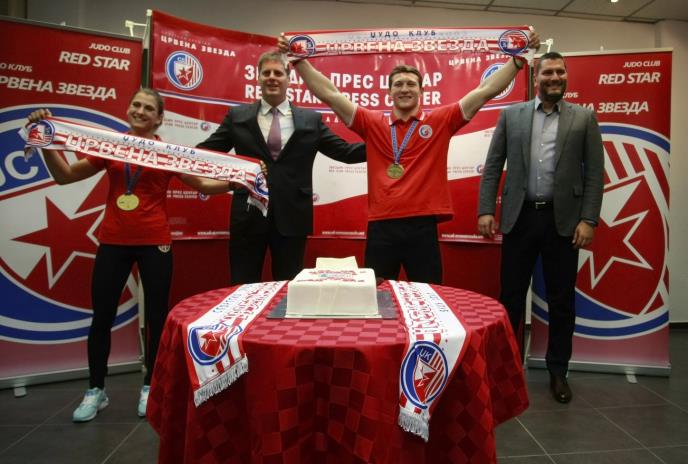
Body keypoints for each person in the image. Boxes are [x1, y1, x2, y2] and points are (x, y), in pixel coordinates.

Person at [27, 88, 233, 422]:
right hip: (113, 241)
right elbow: (64, 177)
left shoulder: (167, 153)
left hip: (155, 242)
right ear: (128, 109)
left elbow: (203, 185)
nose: (140, 111)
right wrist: (47, 144)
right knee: (102, 317)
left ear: (159, 118)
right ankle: (96, 390)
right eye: (136, 104)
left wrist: (239, 183)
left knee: (157, 317)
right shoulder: (111, 146)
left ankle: (151, 386)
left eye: (148, 108)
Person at [278, 30, 540, 284]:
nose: (405, 89)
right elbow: (330, 94)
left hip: (422, 227)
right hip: (382, 227)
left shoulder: (441, 120)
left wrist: (518, 61)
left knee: (427, 295)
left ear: (421, 91)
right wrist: (298, 61)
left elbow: (484, 91)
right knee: (378, 299)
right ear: (389, 92)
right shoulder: (372, 122)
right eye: (398, 84)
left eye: (411, 84)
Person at [477, 51, 604, 403]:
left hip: (563, 222)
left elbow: (595, 173)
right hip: (519, 219)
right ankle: (506, 371)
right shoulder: (511, 115)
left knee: (561, 301)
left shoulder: (583, 118)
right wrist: (486, 210)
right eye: (548, 72)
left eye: (560, 72)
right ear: (536, 77)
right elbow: (493, 165)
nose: (555, 78)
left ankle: (558, 372)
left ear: (566, 76)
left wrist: (588, 219)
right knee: (510, 298)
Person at [196, 51, 366, 284]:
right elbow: (205, 154)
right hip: (248, 216)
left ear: (288, 78)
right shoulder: (237, 117)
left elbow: (345, 152)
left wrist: (386, 144)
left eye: (278, 73)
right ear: (258, 78)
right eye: (266, 73)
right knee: (243, 286)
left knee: (288, 290)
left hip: (293, 218)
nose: (272, 77)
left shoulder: (311, 120)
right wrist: (229, 177)